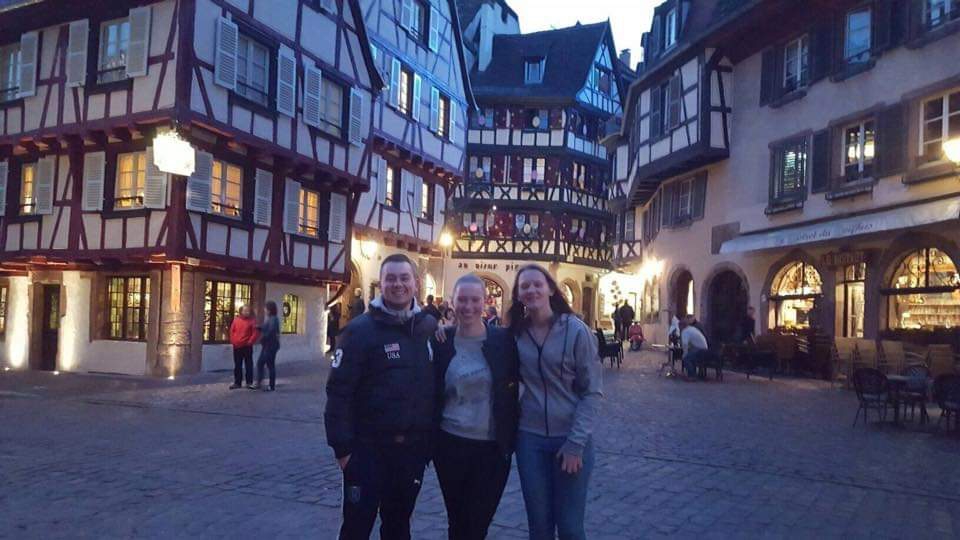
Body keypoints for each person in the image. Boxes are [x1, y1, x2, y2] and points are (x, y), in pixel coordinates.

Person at [324, 254, 438, 540]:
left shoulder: (427, 328)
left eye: (404, 278)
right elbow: (338, 393)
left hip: (410, 453)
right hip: (367, 451)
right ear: (381, 284)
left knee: (399, 527)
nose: (398, 284)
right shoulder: (359, 331)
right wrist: (344, 451)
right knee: (356, 528)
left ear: (416, 283)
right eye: (391, 279)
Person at [508, 263, 603, 540]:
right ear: (518, 295)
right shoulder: (515, 334)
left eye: (537, 284)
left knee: (570, 528)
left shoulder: (576, 331)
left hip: (569, 439)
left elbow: (592, 392)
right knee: (539, 527)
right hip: (530, 440)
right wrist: (438, 330)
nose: (531, 290)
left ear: (550, 289)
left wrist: (576, 443)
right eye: (524, 286)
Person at [431, 275, 519, 540]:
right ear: (452, 302)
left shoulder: (503, 341)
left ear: (484, 301)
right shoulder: (441, 341)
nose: (468, 306)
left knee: (478, 524)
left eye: (474, 300)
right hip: (450, 444)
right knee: (456, 521)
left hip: (491, 449)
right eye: (462, 299)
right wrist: (429, 323)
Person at [252, 301, 280, 391]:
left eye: (265, 308)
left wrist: (262, 338)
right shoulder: (271, 318)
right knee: (261, 363)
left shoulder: (273, 319)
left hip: (270, 346)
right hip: (268, 345)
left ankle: (271, 386)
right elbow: (266, 328)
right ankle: (260, 383)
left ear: (269, 310)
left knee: (269, 365)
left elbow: (271, 331)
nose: (264, 310)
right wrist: (259, 327)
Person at [228, 305, 258, 389]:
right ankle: (237, 383)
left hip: (247, 346)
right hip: (237, 346)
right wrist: (233, 341)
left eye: (248, 311)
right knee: (237, 365)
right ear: (241, 311)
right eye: (245, 311)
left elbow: (255, 333)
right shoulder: (236, 320)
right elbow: (232, 331)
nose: (247, 312)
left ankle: (249, 382)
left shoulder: (252, 321)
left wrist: (250, 342)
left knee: (249, 365)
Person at [680, 315, 710, 379]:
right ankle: (694, 374)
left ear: (681, 326)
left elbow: (685, 344)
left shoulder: (685, 331)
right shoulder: (692, 328)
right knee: (690, 356)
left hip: (700, 350)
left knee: (686, 359)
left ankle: (692, 375)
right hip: (705, 349)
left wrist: (684, 354)